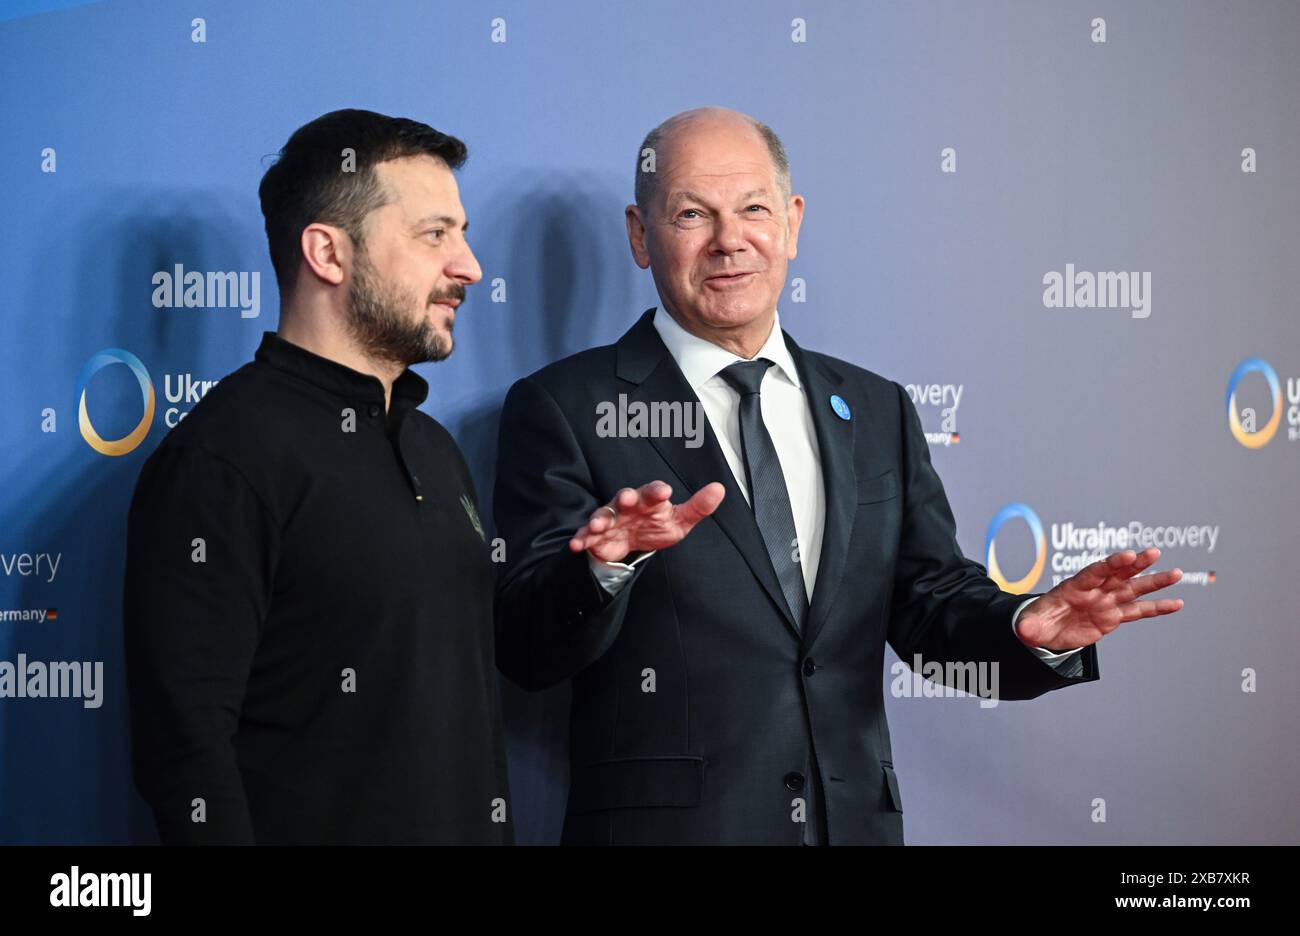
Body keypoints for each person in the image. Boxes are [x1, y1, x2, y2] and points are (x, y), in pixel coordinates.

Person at [492, 106, 1184, 845]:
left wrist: (1027, 629)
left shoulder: (875, 407)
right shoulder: (567, 406)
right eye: (693, 214)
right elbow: (527, 648)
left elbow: (930, 604)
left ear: (790, 221)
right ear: (640, 234)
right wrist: (605, 566)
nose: (731, 241)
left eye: (753, 209)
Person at [124, 109, 511, 844]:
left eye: (460, 232)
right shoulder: (222, 458)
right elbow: (187, 754)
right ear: (328, 253)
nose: (469, 266)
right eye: (435, 235)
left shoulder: (435, 449)